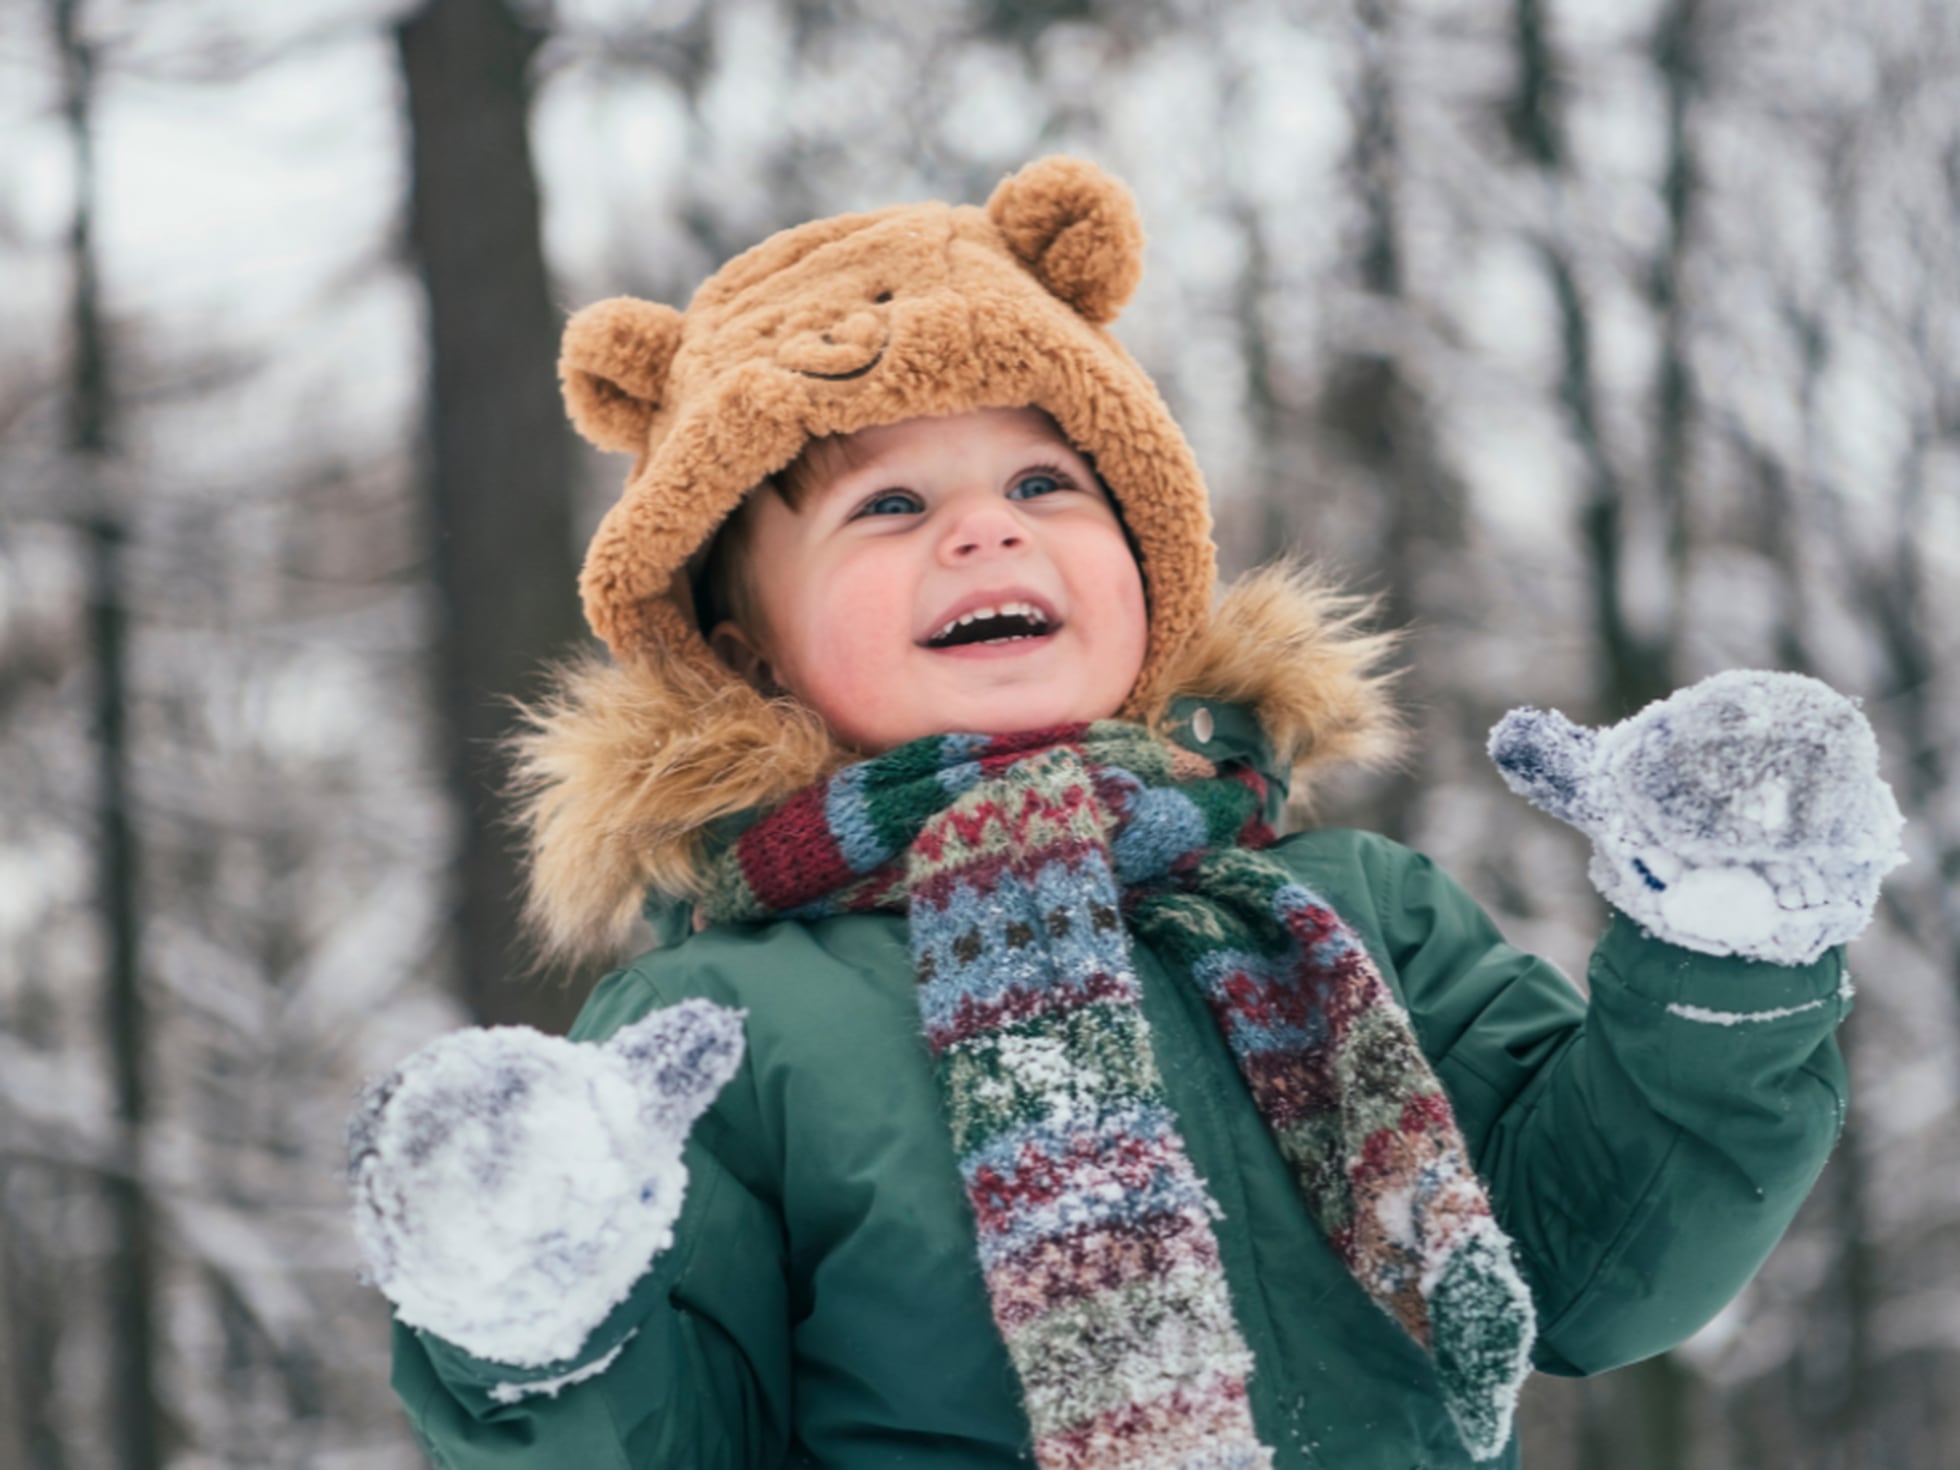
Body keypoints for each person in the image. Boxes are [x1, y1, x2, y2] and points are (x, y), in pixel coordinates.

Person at [346, 157, 1906, 1470]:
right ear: (750, 652)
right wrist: (543, 1322)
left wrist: (1724, 961)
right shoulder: (722, 1023)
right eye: (887, 505)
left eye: (1046, 485)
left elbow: (1597, 1264)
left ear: (1147, 562)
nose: (980, 530)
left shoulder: (1350, 908)